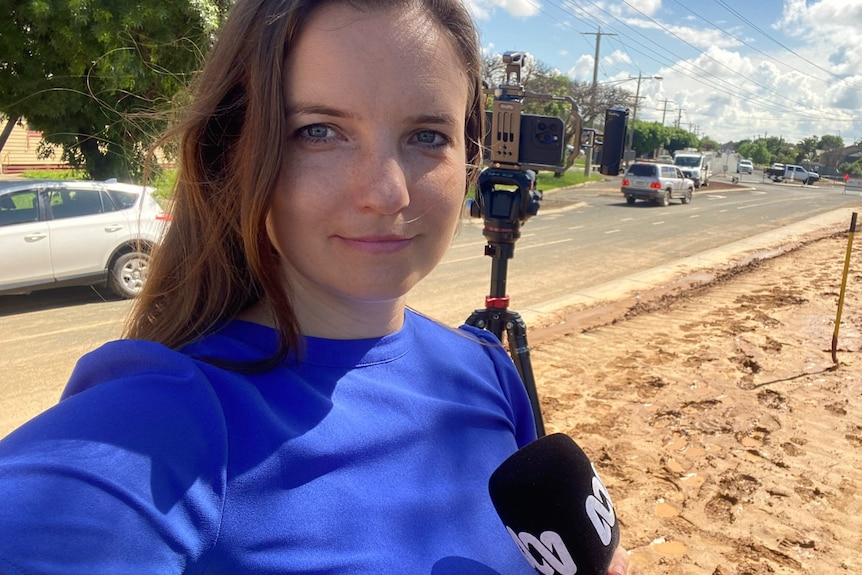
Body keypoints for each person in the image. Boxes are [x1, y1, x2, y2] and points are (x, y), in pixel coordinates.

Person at [0, 1, 629, 573]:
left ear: (469, 155)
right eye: (319, 131)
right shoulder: (171, 420)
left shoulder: (488, 371)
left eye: (427, 136)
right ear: (233, 151)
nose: (388, 193)